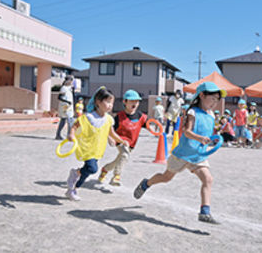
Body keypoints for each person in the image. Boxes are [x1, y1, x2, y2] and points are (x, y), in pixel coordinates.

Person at [133, 82, 227, 224]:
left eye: (217, 100)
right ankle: (147, 183)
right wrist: (200, 138)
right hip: (182, 154)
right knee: (166, 178)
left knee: (208, 179)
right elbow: (187, 132)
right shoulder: (192, 112)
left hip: (198, 155)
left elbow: (206, 131)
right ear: (202, 95)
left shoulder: (212, 115)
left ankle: (204, 212)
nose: (215, 102)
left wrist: (211, 139)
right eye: (212, 98)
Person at [65, 87, 127, 201]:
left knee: (86, 172)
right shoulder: (89, 117)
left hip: (97, 150)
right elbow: (75, 125)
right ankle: (75, 174)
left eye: (112, 103)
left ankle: (72, 189)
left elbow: (111, 133)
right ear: (98, 101)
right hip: (87, 147)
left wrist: (122, 141)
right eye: (107, 102)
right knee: (92, 169)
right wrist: (71, 134)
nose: (110, 105)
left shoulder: (109, 119)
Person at [98, 90, 147, 186]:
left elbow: (149, 125)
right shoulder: (119, 116)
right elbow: (109, 129)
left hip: (132, 143)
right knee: (124, 155)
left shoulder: (141, 116)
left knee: (120, 159)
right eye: (131, 101)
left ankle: (105, 169)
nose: (134, 104)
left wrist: (158, 131)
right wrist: (110, 138)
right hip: (120, 140)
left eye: (136, 101)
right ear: (125, 102)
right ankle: (116, 176)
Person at [55, 75, 75, 140]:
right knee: (70, 121)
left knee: (64, 121)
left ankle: (58, 135)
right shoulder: (63, 88)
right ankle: (69, 135)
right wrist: (67, 102)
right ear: (69, 81)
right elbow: (59, 97)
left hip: (68, 107)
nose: (72, 82)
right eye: (71, 80)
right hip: (65, 106)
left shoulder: (69, 88)